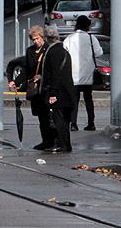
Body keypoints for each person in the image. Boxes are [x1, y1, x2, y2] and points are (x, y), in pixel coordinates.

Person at [9, 26, 53, 151]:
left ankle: (52, 140)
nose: (35, 42)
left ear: (42, 37)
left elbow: (52, 68)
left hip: (46, 88)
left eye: (37, 38)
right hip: (35, 89)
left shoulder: (48, 49)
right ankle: (45, 140)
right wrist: (15, 81)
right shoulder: (30, 51)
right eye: (33, 39)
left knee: (49, 116)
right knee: (40, 116)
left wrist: (42, 76)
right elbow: (26, 70)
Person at [39, 25, 77, 153]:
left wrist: (52, 93)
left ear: (46, 38)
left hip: (59, 92)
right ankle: (66, 144)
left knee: (58, 119)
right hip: (67, 91)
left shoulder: (53, 52)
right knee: (65, 120)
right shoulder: (64, 50)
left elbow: (55, 74)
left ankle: (62, 144)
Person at [63, 15, 103, 131]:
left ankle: (73, 124)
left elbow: (64, 53)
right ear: (87, 25)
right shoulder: (91, 38)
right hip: (88, 74)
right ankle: (91, 123)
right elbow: (99, 52)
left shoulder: (69, 39)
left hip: (73, 74)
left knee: (74, 100)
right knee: (88, 99)